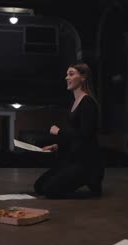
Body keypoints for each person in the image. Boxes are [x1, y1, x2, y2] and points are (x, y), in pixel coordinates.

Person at [34, 63, 104, 198]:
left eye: (71, 74)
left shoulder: (88, 103)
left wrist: (58, 132)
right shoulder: (73, 103)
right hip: (73, 158)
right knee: (39, 187)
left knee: (49, 190)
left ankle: (89, 178)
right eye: (67, 74)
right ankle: (71, 178)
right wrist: (57, 145)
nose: (67, 78)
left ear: (83, 77)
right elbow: (74, 135)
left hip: (86, 162)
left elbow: (85, 135)